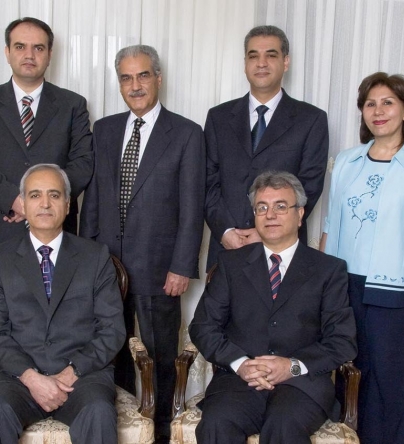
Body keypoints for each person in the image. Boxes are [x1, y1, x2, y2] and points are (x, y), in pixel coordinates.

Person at [79, 44, 205, 442]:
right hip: (106, 266)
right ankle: (124, 426)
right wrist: (86, 261)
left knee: (160, 354)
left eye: (143, 75)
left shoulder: (186, 133)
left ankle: (163, 431)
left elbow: (192, 205)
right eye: (126, 78)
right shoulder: (105, 129)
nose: (135, 85)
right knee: (110, 350)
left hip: (160, 266)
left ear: (158, 78)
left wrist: (183, 265)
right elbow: (94, 201)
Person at [320, 72, 404, 444]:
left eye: (388, 102)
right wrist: (320, 287)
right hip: (344, 286)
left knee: (384, 377)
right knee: (346, 372)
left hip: (394, 291)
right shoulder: (346, 162)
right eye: (370, 103)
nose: (378, 111)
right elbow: (331, 227)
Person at [190, 171, 356, 444]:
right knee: (217, 423)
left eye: (281, 206)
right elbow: (204, 327)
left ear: (300, 214)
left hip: (301, 383)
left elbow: (342, 341)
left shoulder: (329, 270)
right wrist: (241, 364)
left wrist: (291, 366)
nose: (270, 215)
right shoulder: (231, 264)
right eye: (262, 207)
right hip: (239, 379)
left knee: (284, 426)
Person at [0, 164, 125, 443]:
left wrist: (71, 373)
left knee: (98, 412)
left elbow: (112, 329)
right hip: (17, 378)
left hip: (81, 378)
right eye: (35, 195)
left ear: (68, 205)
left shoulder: (95, 257)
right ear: (23, 204)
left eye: (54, 195)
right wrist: (31, 378)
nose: (45, 203)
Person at [204, 25, 329, 269]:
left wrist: (265, 232)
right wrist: (226, 231)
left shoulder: (311, 119)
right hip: (226, 248)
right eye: (253, 56)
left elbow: (309, 187)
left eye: (271, 55)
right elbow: (207, 182)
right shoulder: (218, 117)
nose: (261, 63)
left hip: (283, 252)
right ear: (245, 63)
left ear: (286, 62)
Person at [0, 17, 93, 245]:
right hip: (0, 226)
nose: (29, 55)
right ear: (7, 52)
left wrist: (44, 201)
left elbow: (83, 163)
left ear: (50, 54)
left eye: (38, 48)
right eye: (20, 46)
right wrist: (14, 200)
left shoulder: (73, 104)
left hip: (58, 230)